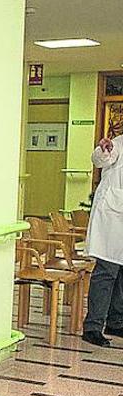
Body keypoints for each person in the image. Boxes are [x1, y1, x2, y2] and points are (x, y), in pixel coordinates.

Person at [82, 133, 123, 346]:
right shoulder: (118, 144)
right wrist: (104, 149)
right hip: (112, 221)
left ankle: (116, 321)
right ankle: (93, 326)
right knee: (107, 272)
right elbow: (100, 159)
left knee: (121, 274)